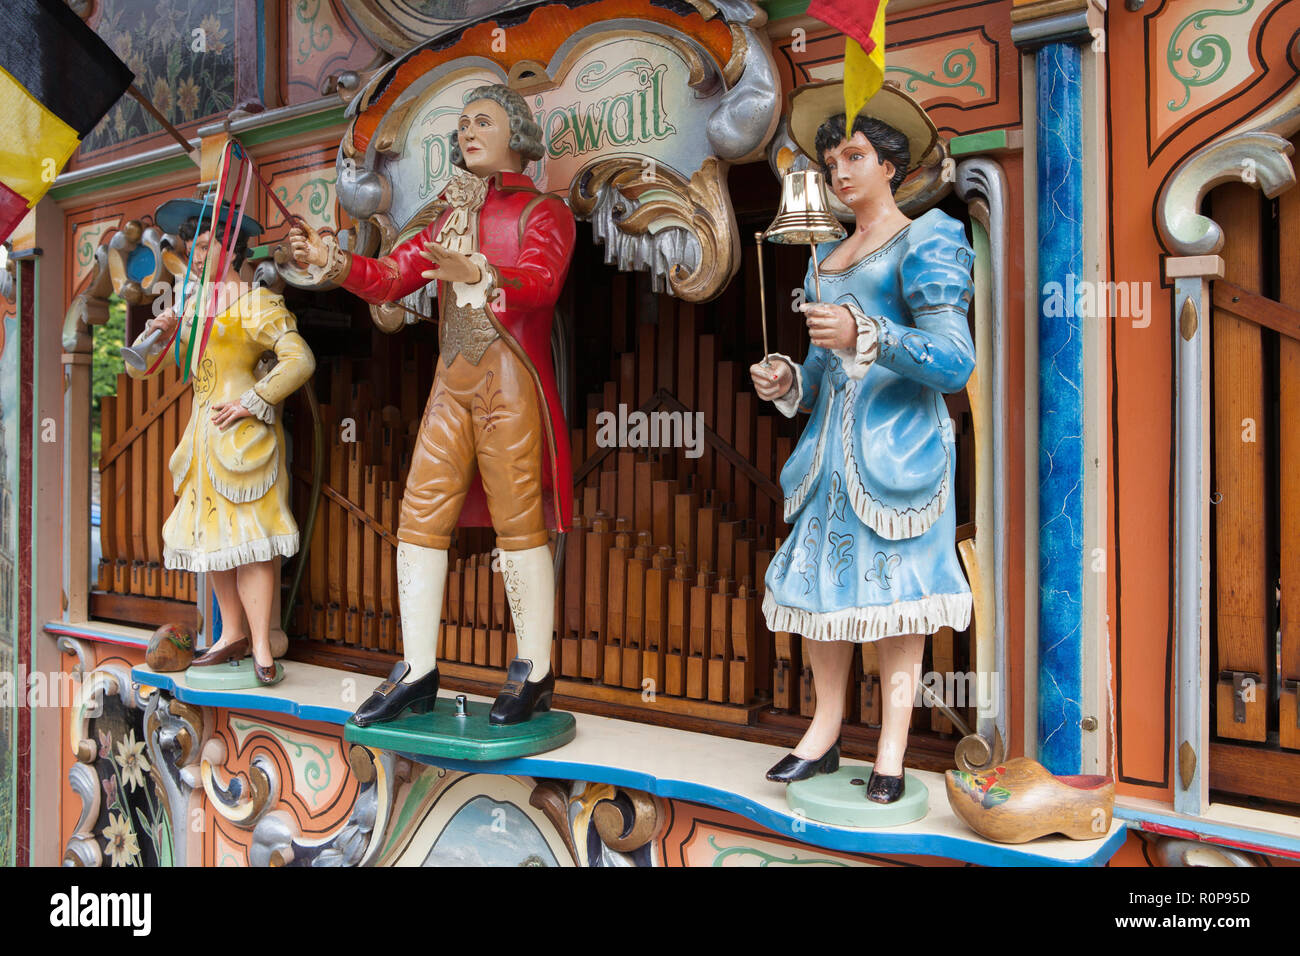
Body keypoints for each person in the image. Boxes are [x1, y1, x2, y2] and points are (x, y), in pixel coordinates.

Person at [287, 83, 576, 726]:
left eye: (484, 120)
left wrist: (480, 273)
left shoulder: (543, 212)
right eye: (462, 123)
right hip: (452, 383)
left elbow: (542, 282)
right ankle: (416, 669)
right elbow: (392, 276)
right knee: (418, 515)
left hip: (511, 380)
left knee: (519, 520)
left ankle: (534, 667)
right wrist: (334, 262)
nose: (468, 131)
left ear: (518, 135)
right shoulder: (450, 212)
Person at [750, 82, 975, 803]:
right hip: (827, 460)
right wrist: (787, 377)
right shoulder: (826, 258)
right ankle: (823, 731)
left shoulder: (930, 237)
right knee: (819, 592)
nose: (840, 172)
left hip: (899, 452)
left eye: (855, 156)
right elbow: (820, 375)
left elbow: (953, 359)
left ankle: (891, 748)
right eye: (831, 160)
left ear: (891, 166)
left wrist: (868, 335)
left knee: (894, 600)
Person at [129, 204, 316, 686]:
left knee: (252, 542)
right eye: (193, 244)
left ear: (231, 250)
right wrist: (164, 332)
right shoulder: (193, 309)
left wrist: (256, 399)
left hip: (245, 435)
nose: (194, 252)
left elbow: (299, 361)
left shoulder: (257, 304)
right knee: (214, 541)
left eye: (207, 243)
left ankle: (259, 644)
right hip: (203, 439)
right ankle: (230, 632)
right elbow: (157, 368)